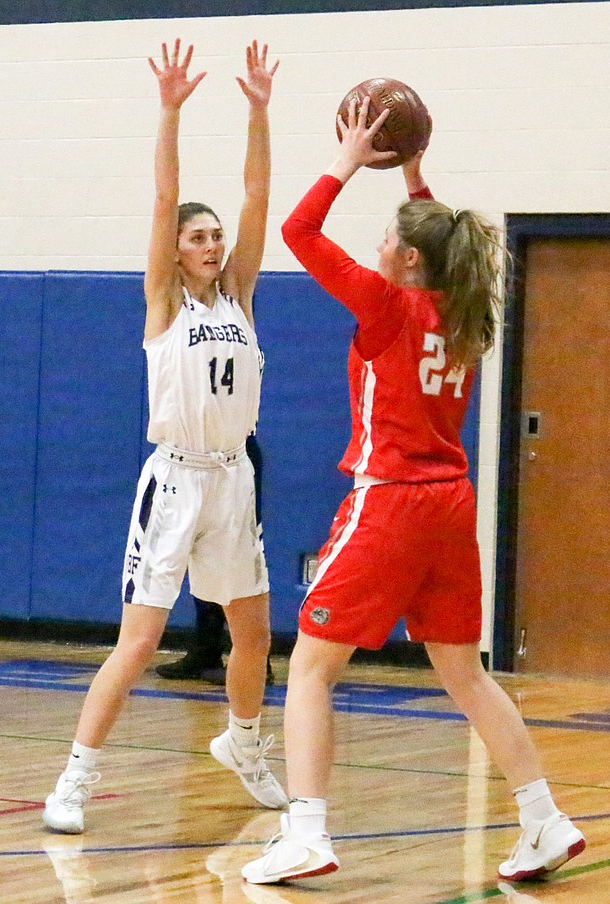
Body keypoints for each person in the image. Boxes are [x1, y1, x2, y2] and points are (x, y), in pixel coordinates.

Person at [241, 99, 586, 883]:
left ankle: (307, 831)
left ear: (405, 261)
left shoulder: (387, 304)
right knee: (463, 670)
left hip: (390, 497)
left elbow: (298, 234)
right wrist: (416, 175)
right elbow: (439, 240)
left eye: (392, 236)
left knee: (310, 669)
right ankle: (543, 818)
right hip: (449, 502)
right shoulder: (459, 308)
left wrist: (351, 161)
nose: (382, 238)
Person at [41, 39, 285, 835]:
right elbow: (162, 196)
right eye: (198, 237)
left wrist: (257, 110)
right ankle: (75, 778)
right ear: (178, 252)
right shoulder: (164, 303)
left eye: (216, 235)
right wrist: (171, 111)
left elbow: (259, 195)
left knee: (252, 633)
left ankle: (244, 743)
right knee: (140, 639)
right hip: (175, 479)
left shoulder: (240, 296)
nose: (212, 243)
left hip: (233, 477)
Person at [156, 433, 274, 686]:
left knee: (238, 564)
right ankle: (205, 650)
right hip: (197, 458)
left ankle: (257, 661)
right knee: (202, 560)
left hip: (233, 458)